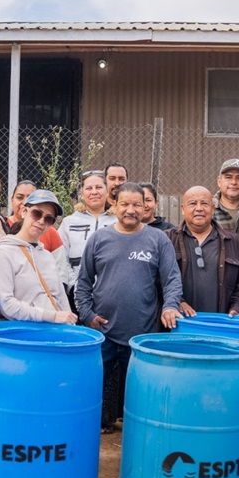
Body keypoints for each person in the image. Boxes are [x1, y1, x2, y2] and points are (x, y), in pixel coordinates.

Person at [75, 182, 182, 433]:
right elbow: (82, 282)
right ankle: (97, 424)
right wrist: (88, 315)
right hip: (104, 330)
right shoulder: (99, 238)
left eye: (137, 204)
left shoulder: (158, 239)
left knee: (141, 387)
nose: (131, 210)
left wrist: (170, 306)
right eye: (125, 204)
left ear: (145, 206)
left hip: (142, 332)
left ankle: (139, 426)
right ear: (115, 204)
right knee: (97, 382)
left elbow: (172, 279)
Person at [0, 190, 77, 324]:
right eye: (37, 214)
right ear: (24, 211)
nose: (41, 221)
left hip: (54, 334)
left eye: (48, 219)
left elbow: (61, 299)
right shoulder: (4, 253)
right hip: (23, 335)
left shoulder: (47, 256)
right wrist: (51, 316)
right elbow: (6, 305)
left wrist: (70, 325)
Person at [168, 186, 239, 317]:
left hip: (221, 323)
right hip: (180, 323)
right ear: (182, 209)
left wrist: (237, 308)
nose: (199, 208)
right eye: (192, 203)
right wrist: (177, 302)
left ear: (213, 207)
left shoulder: (232, 241)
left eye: (204, 203)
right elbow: (159, 279)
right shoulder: (167, 240)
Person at [58, 170, 116, 295]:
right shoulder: (69, 222)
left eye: (99, 187)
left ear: (107, 192)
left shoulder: (118, 221)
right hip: (77, 291)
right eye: (89, 188)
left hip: (112, 291)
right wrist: (74, 285)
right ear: (82, 193)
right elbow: (62, 258)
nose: (94, 192)